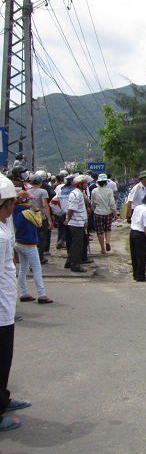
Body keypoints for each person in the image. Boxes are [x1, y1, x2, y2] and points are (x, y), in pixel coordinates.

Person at [0, 173, 31, 432]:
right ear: (6, 204)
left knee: (5, 358)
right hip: (0, 308)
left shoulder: (3, 227)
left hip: (6, 305)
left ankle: (4, 398)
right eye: (12, 201)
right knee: (1, 358)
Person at [12, 190, 53, 304]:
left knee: (23, 269)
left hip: (19, 242)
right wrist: (36, 210)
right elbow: (39, 223)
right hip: (29, 244)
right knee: (36, 269)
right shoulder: (27, 212)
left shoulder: (14, 211)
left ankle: (24, 293)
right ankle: (42, 294)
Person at [63, 175, 89, 273]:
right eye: (85, 183)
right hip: (76, 223)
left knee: (75, 244)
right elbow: (71, 209)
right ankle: (75, 265)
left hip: (79, 222)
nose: (87, 185)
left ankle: (69, 262)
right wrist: (67, 219)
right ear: (80, 184)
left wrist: (85, 221)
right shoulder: (77, 194)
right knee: (77, 245)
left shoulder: (78, 193)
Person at [27, 175, 54, 264]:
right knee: (42, 238)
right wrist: (49, 219)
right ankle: (40, 257)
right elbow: (45, 205)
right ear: (41, 182)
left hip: (31, 217)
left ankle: (32, 257)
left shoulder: (28, 192)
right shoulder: (43, 191)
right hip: (41, 217)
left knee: (33, 238)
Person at [91, 174, 117, 254]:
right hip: (108, 212)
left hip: (98, 213)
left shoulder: (94, 191)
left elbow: (92, 203)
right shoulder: (109, 191)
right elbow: (112, 203)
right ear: (106, 182)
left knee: (100, 231)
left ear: (98, 182)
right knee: (108, 229)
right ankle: (107, 242)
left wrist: (94, 210)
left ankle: (102, 248)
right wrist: (115, 212)